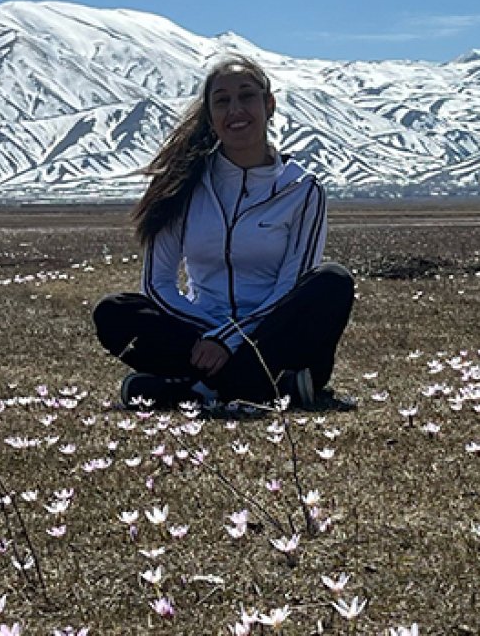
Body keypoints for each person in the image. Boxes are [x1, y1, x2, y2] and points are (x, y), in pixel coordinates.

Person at [92, 54, 355, 410]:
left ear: (269, 104)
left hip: (272, 333)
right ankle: (267, 388)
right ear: (210, 115)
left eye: (246, 96)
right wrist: (211, 334)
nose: (236, 110)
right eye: (222, 101)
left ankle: (194, 391)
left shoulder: (303, 190)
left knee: (332, 281)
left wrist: (231, 338)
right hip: (198, 335)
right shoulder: (180, 185)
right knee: (114, 312)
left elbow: (291, 286)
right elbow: (158, 284)